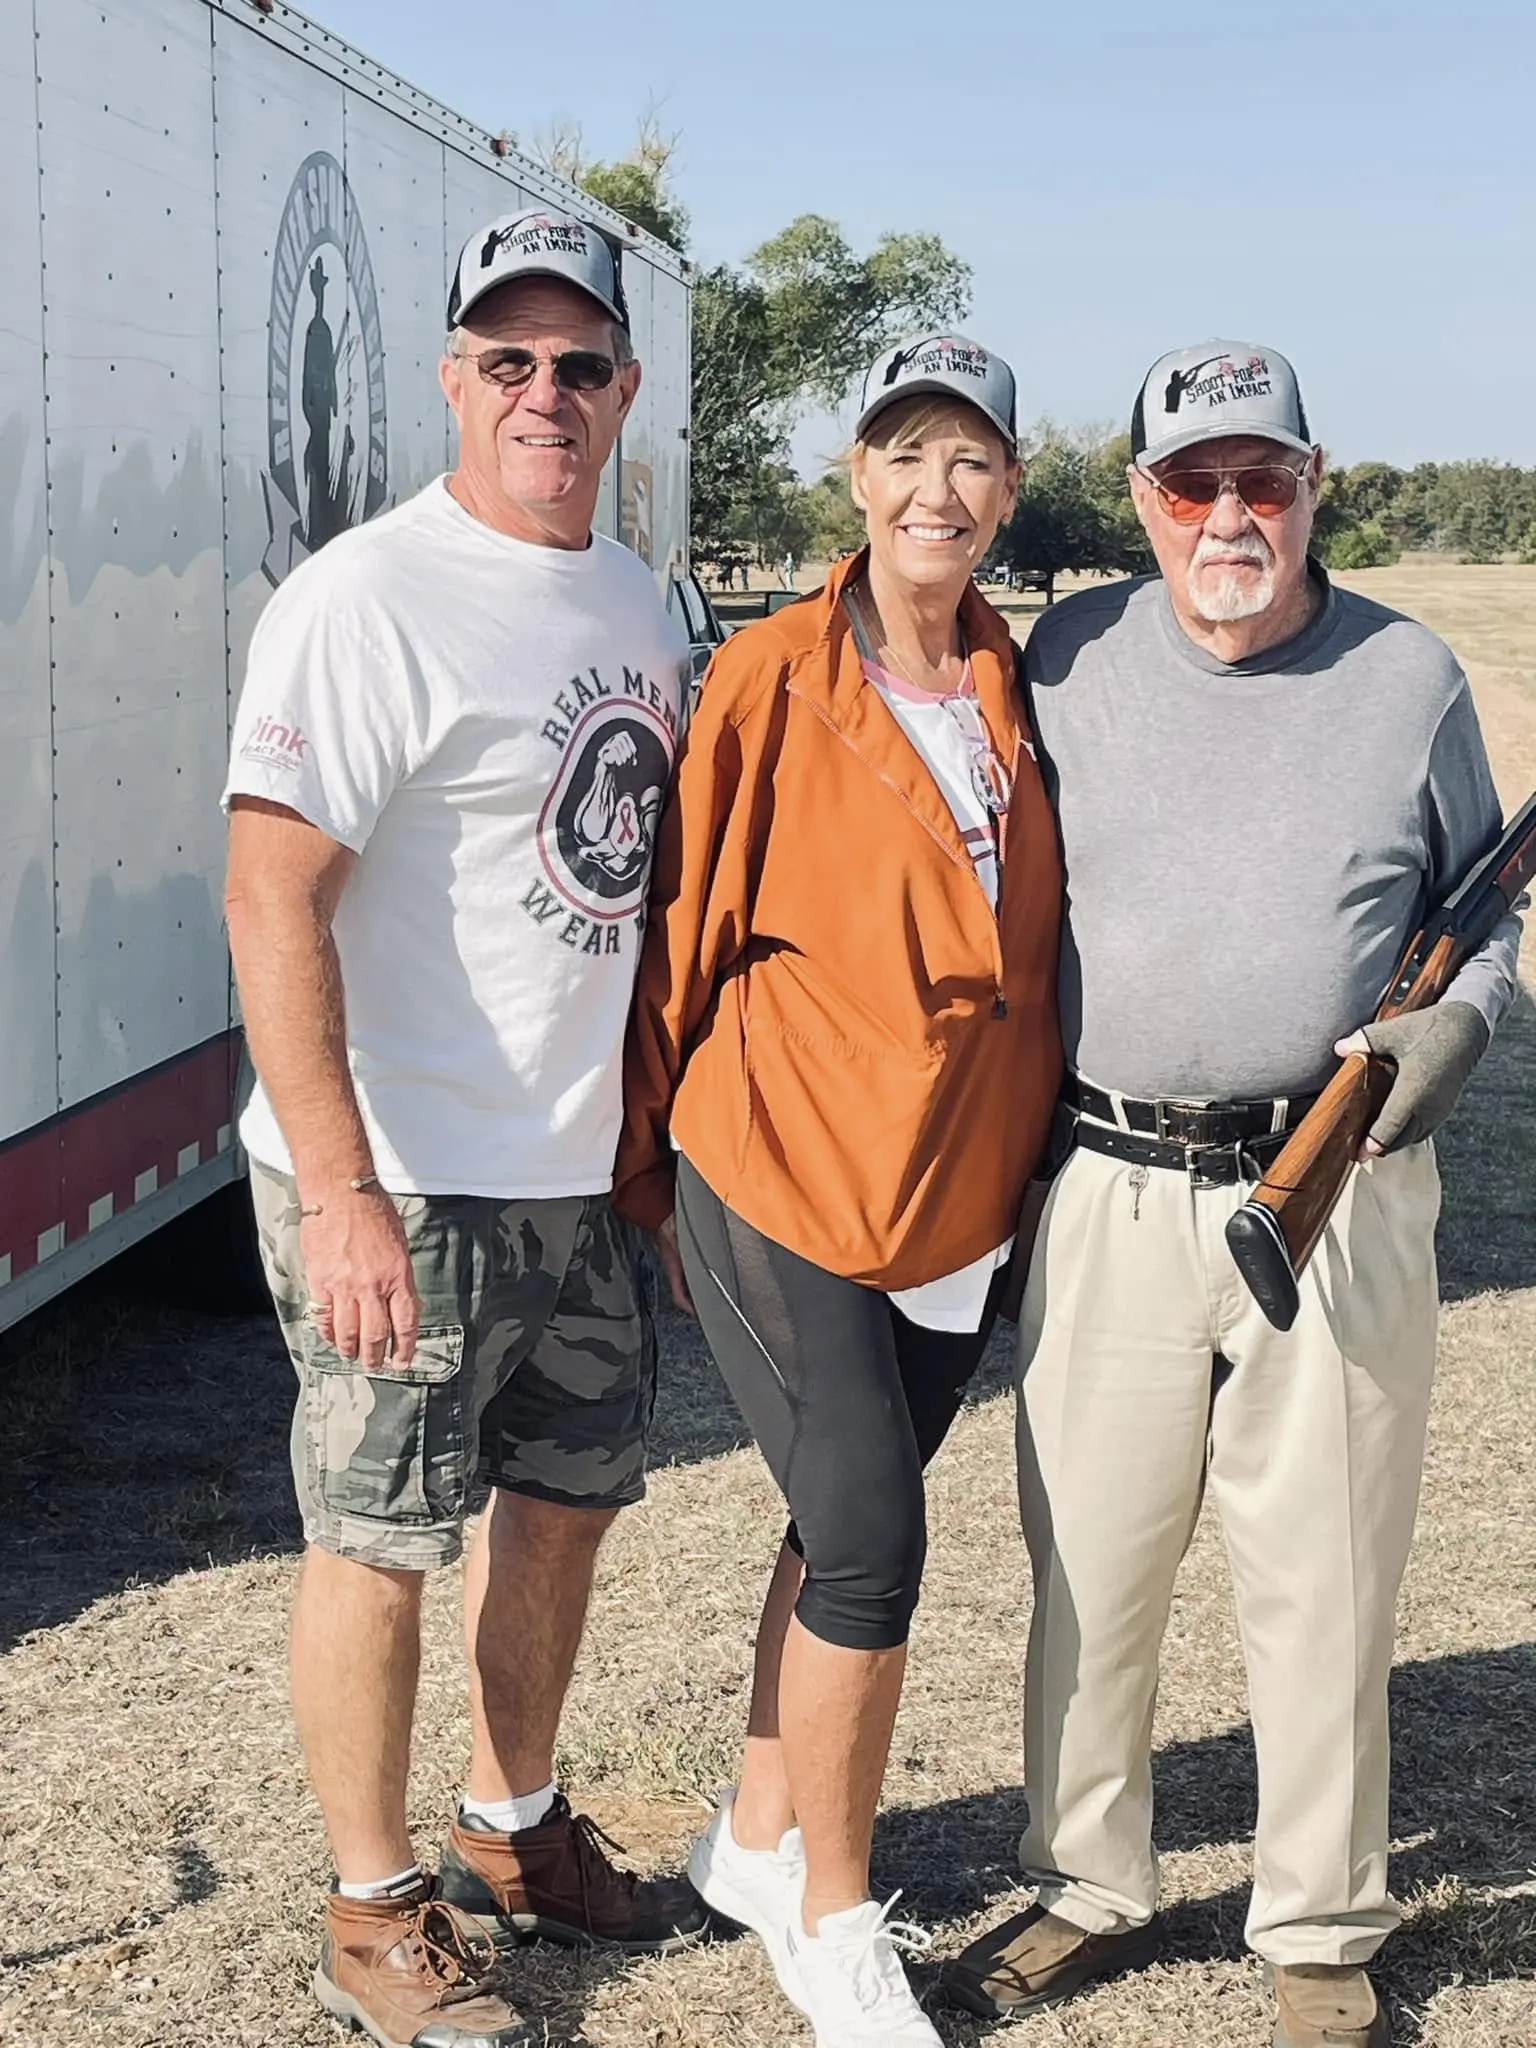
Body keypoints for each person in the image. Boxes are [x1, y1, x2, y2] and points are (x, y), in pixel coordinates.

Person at [949, 341, 1525, 2048]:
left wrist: (1454, 1037)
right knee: (1091, 1559)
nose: (1226, 515)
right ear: (1139, 500)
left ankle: (1324, 1917)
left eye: (1260, 481)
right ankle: (1083, 1881)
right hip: (1108, 1176)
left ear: (1313, 484)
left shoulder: (1411, 676)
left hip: (1335, 1174)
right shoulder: (1067, 652)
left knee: (1328, 1566)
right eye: (1191, 483)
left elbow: (1479, 908)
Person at [223, 207, 707, 2048]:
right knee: (379, 1538)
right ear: (451, 379)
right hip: (403, 1179)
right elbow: (273, 899)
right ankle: (371, 1907)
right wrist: (337, 1188)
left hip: (574, 1172)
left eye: (578, 364)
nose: (544, 394)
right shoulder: (366, 595)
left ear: (624, 389)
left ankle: (511, 1833)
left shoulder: (642, 597)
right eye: (506, 361)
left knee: (564, 1511)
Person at [615, 333, 1064, 2046]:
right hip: (783, 1164)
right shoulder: (772, 678)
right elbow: (685, 927)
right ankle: (831, 1919)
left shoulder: (1021, 684)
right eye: (904, 453)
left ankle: (746, 1834)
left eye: (969, 460)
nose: (935, 491)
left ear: (1009, 491)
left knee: (826, 1514)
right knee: (875, 1541)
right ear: (853, 481)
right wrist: (648, 1166)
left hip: (960, 1196)